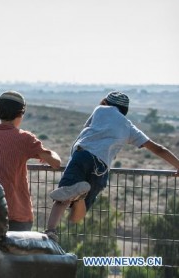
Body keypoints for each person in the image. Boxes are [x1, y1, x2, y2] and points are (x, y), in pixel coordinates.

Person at [44, 91, 179, 242]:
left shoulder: (100, 110)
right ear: (125, 111)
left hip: (81, 155)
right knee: (76, 217)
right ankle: (80, 197)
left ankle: (50, 230)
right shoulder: (129, 127)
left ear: (105, 103)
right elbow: (158, 148)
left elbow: (86, 128)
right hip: (101, 166)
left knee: (62, 197)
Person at [0, 91, 61, 231]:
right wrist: (50, 153)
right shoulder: (25, 139)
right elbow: (55, 163)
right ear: (20, 114)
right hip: (18, 214)